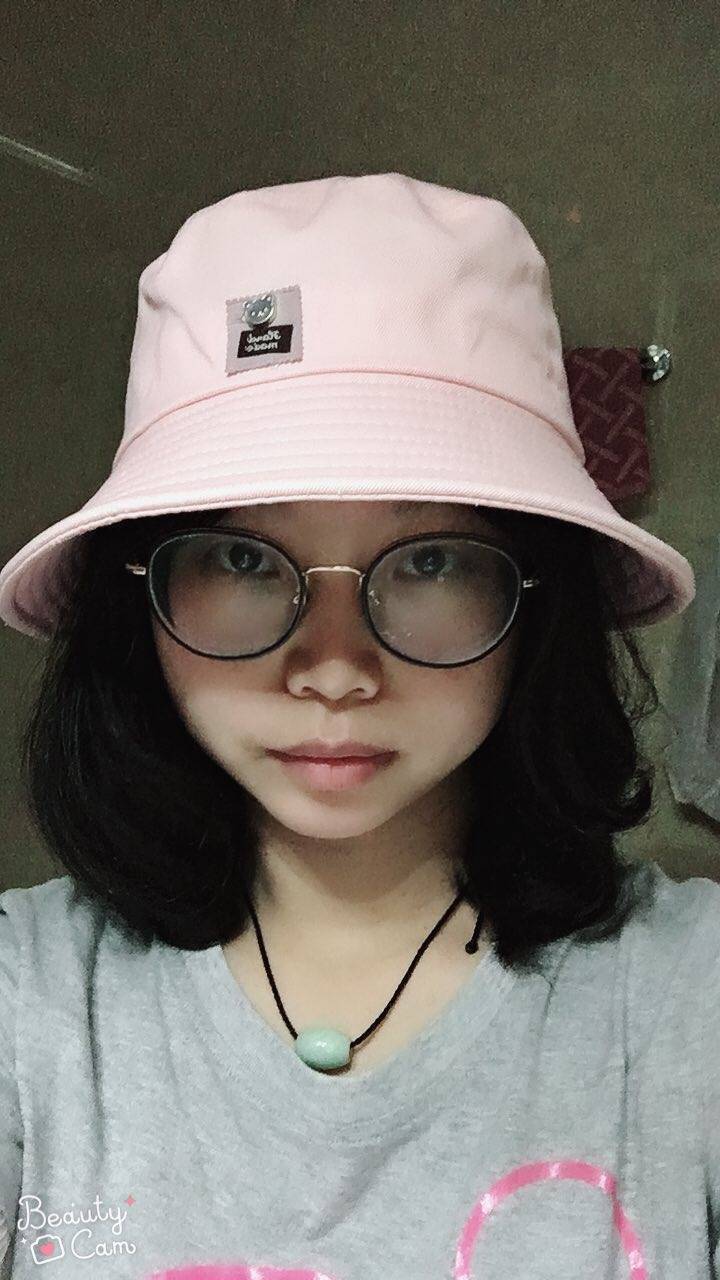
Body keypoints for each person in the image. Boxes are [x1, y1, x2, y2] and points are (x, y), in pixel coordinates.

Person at [0, 171, 717, 1279]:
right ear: (137, 594)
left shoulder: (687, 1000)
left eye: (429, 560)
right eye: (242, 557)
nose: (334, 667)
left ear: (536, 599)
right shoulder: (32, 1004)